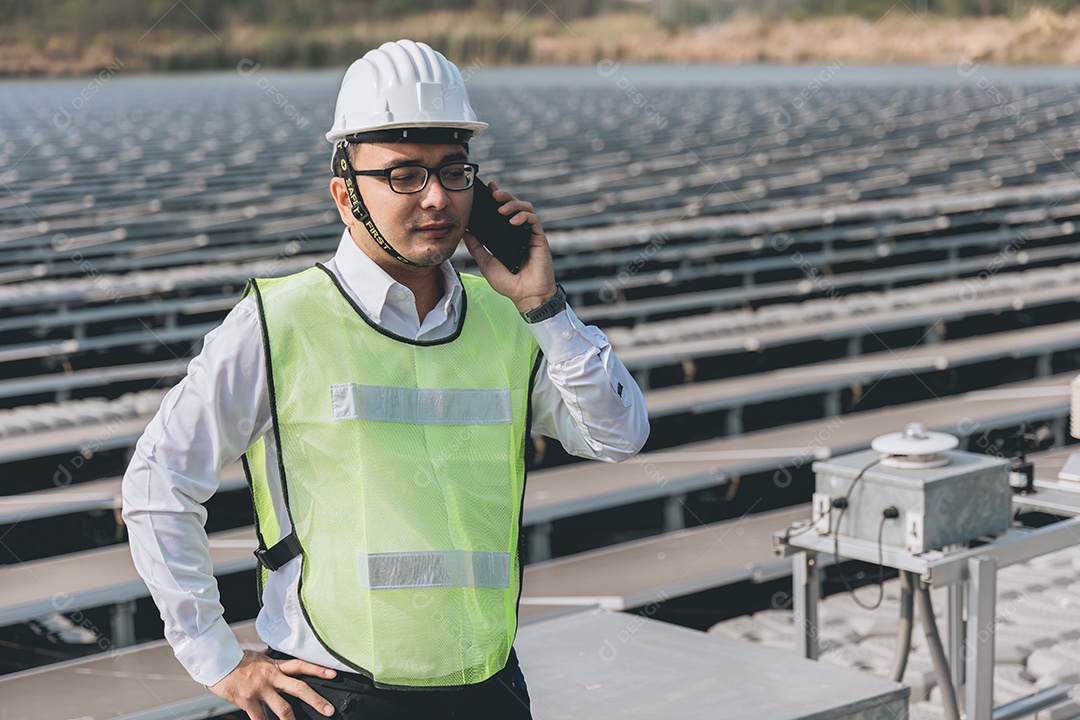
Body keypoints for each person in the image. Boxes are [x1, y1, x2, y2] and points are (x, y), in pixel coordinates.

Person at [122, 39, 649, 720]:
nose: (436, 198)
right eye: (404, 174)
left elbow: (619, 437)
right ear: (346, 196)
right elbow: (157, 481)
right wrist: (215, 656)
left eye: (453, 171)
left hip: (488, 686)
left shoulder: (510, 318)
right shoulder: (278, 322)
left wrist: (545, 307)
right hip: (337, 695)